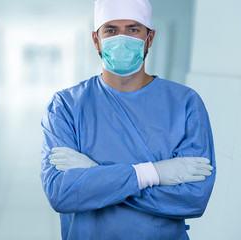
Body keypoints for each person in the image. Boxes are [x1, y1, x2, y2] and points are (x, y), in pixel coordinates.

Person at [40, 0, 216, 239]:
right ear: (96, 39)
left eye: (133, 29)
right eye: (111, 30)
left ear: (149, 38)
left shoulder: (185, 103)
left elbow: (194, 199)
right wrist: (151, 174)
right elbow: (61, 193)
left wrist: (95, 175)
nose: (122, 38)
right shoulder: (66, 106)